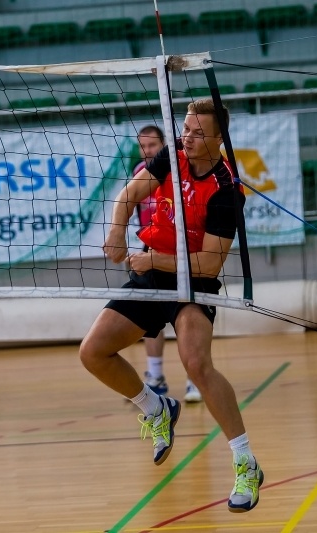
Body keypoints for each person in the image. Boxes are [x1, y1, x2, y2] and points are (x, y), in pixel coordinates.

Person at [80, 98, 263, 513]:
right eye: (186, 128)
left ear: (219, 139)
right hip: (150, 274)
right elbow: (129, 194)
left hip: (192, 284)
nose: (188, 137)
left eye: (198, 132)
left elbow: (210, 262)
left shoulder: (227, 190)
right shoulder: (172, 155)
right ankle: (156, 407)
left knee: (197, 363)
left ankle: (245, 461)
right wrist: (116, 231)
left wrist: (154, 259)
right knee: (92, 352)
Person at [133, 125, 202, 404]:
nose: (148, 151)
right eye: (143, 146)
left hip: (183, 252)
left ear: (163, 145)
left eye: (152, 145)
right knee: (150, 317)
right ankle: (155, 376)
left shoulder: (178, 167)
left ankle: (194, 379)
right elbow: (132, 203)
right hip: (150, 248)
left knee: (188, 314)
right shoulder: (140, 171)